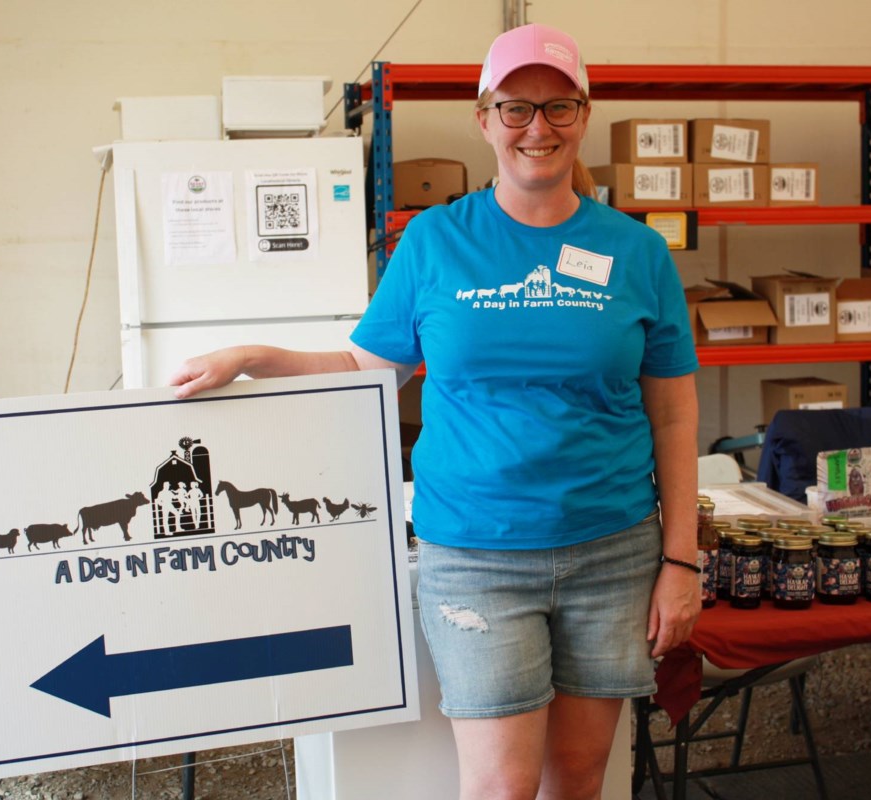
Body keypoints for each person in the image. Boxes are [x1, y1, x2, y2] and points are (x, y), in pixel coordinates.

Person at [171, 22, 701, 800]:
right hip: (476, 556)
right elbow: (364, 368)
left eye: (558, 108)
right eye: (516, 108)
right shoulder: (433, 242)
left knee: (582, 778)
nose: (537, 128)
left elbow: (675, 416)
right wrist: (255, 358)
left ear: (583, 116)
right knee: (499, 787)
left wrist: (681, 562)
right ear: (484, 119)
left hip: (613, 553)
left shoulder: (637, 252)